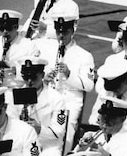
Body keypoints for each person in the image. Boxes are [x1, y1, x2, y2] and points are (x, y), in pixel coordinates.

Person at [9, 55, 71, 156]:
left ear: (42, 75)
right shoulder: (16, 94)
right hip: (22, 143)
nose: (29, 81)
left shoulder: (56, 98)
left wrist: (39, 129)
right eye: (26, 77)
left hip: (47, 146)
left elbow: (59, 132)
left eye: (34, 77)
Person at [34, 16, 96, 145]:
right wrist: (44, 77)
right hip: (48, 98)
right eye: (58, 32)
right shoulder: (46, 48)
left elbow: (89, 85)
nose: (61, 36)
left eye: (65, 32)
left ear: (72, 31)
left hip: (69, 102)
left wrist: (69, 74)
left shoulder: (84, 55)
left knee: (64, 139)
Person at [0, 9, 37, 86]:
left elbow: (35, 71)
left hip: (18, 88)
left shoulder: (29, 45)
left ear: (16, 27)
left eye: (8, 28)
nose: (5, 32)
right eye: (2, 29)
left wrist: (16, 70)